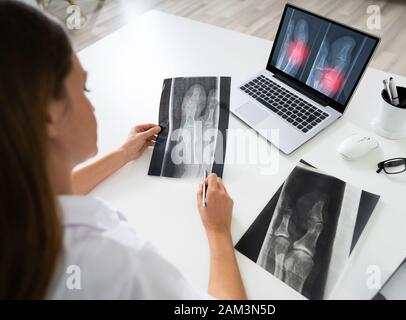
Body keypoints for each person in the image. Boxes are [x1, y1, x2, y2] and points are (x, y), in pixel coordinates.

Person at [0, 0, 246, 300]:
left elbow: (46, 200)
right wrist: (219, 232)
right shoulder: (117, 262)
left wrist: (122, 154)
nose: (91, 105)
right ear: (49, 116)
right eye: (83, 90)